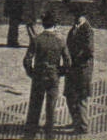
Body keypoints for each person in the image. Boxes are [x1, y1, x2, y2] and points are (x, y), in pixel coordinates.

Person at [23, 10, 69, 138]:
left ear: (43, 24)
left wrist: (31, 73)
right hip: (53, 77)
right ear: (55, 25)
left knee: (35, 106)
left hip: (38, 76)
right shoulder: (60, 40)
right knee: (51, 107)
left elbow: (27, 60)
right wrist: (60, 72)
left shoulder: (37, 39)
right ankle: (49, 135)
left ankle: (30, 134)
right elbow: (68, 62)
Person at [65, 9, 95, 134]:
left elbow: (88, 50)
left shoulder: (88, 30)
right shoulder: (74, 28)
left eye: (78, 17)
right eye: (75, 16)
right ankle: (76, 121)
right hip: (73, 68)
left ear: (83, 16)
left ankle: (83, 127)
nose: (76, 19)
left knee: (81, 98)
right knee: (70, 96)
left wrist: (74, 59)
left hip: (82, 69)